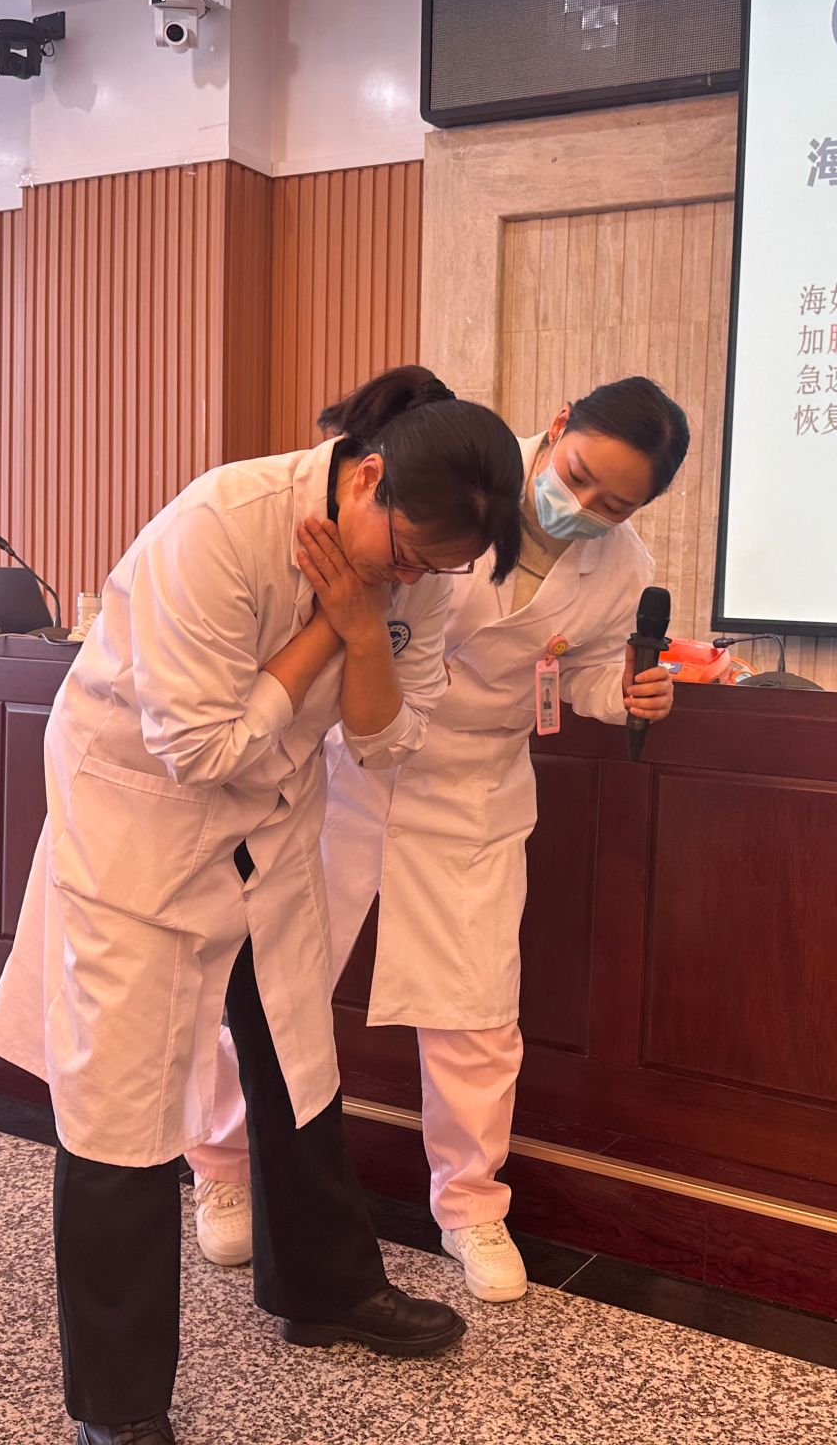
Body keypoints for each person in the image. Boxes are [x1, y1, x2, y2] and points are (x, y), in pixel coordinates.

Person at [0, 365, 525, 1445]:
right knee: (122, 1109)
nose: (415, 578)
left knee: (292, 1054)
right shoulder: (220, 527)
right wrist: (337, 623)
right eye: (406, 555)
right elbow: (199, 750)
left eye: (437, 569)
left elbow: (385, 740)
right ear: (366, 479)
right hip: (141, 825)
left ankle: (326, 1290)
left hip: (271, 822)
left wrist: (368, 627)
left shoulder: (419, 566)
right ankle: (119, 1408)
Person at [186, 377, 690, 1305]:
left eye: (614, 504)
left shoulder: (620, 567)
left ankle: (469, 1205)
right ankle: (222, 1165)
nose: (584, 507)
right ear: (558, 426)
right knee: (274, 981)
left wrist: (625, 694)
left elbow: (581, 672)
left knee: (475, 1012)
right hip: (350, 766)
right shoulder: (464, 480)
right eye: (578, 476)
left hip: (472, 789)